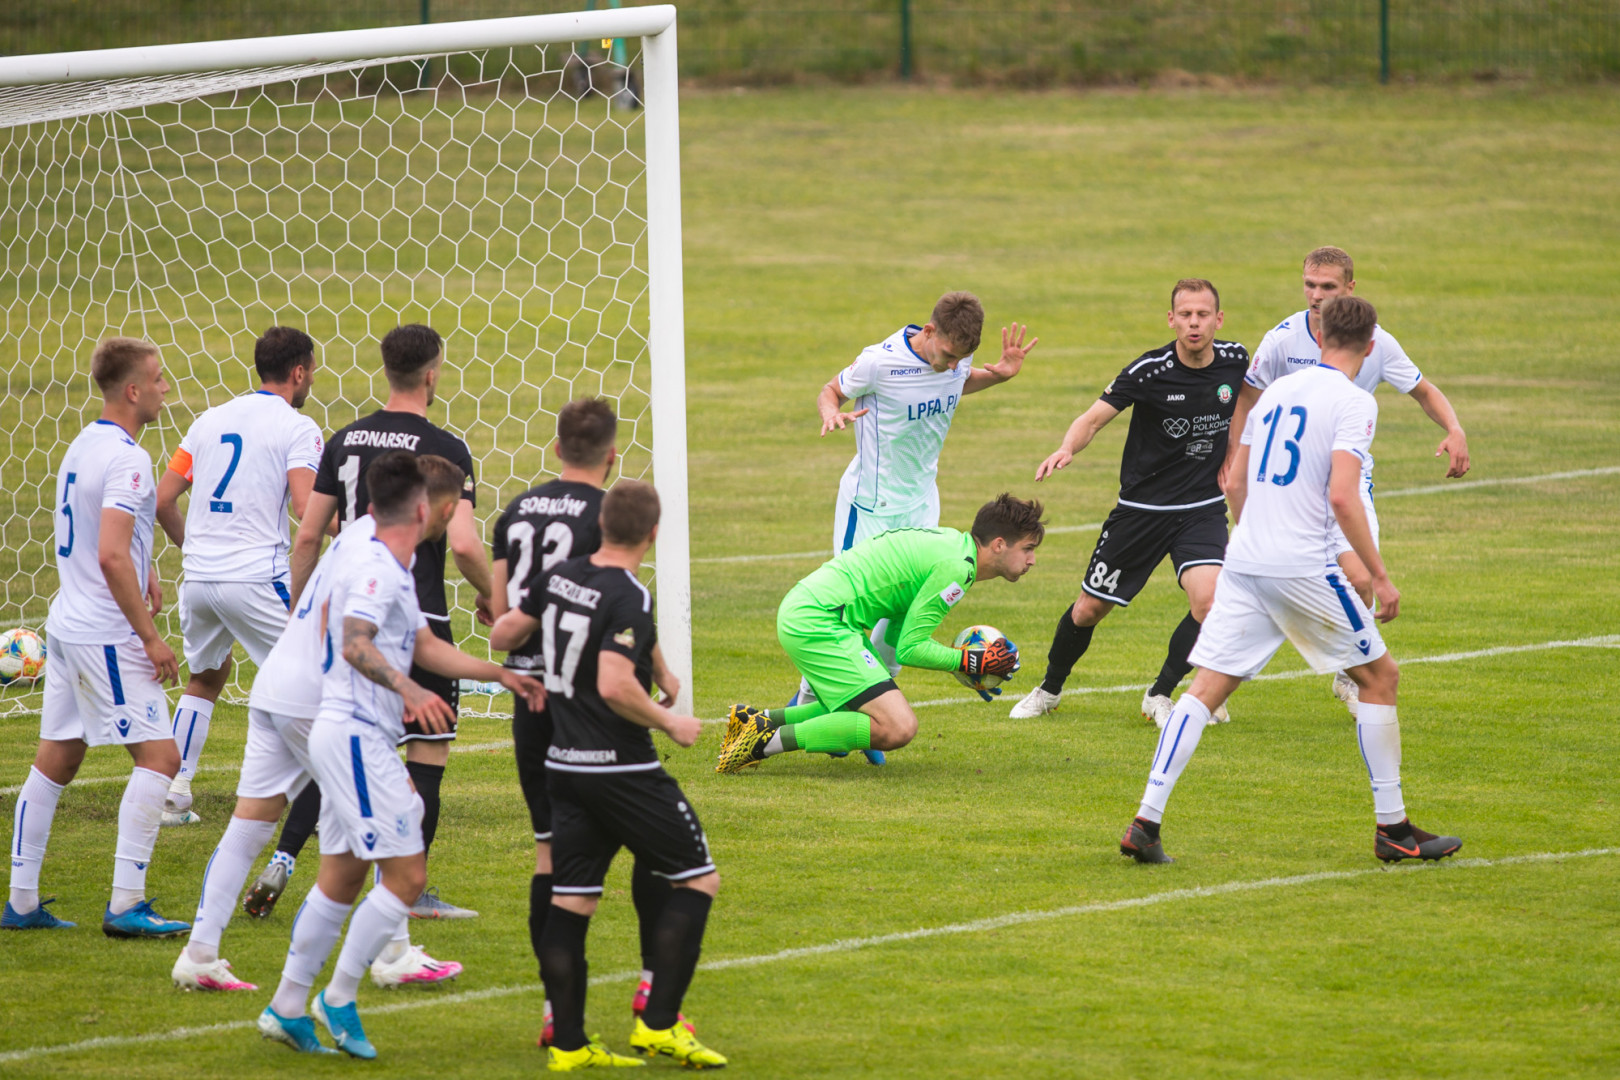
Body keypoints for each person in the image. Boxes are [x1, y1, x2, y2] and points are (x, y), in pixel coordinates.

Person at [1119, 295, 1461, 866]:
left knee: (1204, 689)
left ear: (1319, 338)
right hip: (1304, 566)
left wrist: (1254, 535)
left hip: (1246, 559)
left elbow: (1234, 482)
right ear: (1370, 347)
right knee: (1380, 678)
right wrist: (1379, 575)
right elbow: (1343, 496)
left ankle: (1145, 822)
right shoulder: (1354, 402)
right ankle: (1393, 828)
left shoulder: (1275, 392)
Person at [257, 452, 543, 1057]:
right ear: (428, 509)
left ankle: (287, 1006)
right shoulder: (377, 567)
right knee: (408, 875)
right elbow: (354, 641)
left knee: (341, 878)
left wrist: (498, 673)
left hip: (350, 732)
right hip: (355, 734)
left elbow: (424, 645)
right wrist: (409, 690)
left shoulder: (388, 558)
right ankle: (338, 997)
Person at [173, 457, 475, 993]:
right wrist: (406, 687)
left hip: (276, 683)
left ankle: (199, 954)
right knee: (393, 810)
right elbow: (356, 636)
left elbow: (315, 560)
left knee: (251, 822)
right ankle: (390, 956)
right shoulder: (381, 554)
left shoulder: (358, 534)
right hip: (322, 698)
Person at [258, 323, 491, 920]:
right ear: (432, 374)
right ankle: (407, 893)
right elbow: (465, 545)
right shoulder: (445, 448)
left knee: (344, 742)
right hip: (417, 615)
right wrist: (496, 600)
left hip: (350, 617)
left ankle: (284, 859)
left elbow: (308, 535)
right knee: (427, 757)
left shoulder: (345, 439)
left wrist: (300, 617)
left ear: (386, 370)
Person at [489, 479, 724, 1070]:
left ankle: (569, 1045)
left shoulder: (560, 576)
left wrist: (656, 668)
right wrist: (671, 723)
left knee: (572, 902)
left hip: (563, 763)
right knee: (698, 880)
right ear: (653, 533)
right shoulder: (629, 594)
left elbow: (502, 634)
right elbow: (616, 684)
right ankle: (659, 1024)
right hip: (621, 767)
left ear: (601, 526)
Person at [1221, 246, 1470, 714]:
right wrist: (1235, 455)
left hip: (1348, 482)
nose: (1317, 296)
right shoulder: (1281, 340)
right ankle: (1211, 686)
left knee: (1360, 579)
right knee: (1264, 585)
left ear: (1350, 288)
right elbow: (1248, 397)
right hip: (1292, 487)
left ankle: (1347, 674)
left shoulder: (1375, 342)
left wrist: (1454, 429)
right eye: (1310, 285)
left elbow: (1423, 390)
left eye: (1328, 287)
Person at [3, 337, 188, 936]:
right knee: (161, 758)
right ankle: (126, 905)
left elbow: (101, 535)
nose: (165, 388)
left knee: (58, 758)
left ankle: (21, 904)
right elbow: (110, 554)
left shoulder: (84, 442)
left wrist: (146, 566)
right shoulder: (130, 460)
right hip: (106, 633)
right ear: (133, 390)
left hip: (67, 623)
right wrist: (150, 637)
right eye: (157, 379)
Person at [806, 291, 1038, 764]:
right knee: (847, 617)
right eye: (948, 355)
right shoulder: (879, 362)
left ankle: (869, 723)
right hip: (870, 507)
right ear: (929, 332)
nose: (952, 365)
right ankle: (815, 705)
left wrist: (998, 375)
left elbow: (955, 382)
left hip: (920, 507)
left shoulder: (953, 360)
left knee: (906, 617)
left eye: (961, 359)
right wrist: (831, 411)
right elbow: (830, 390)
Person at [1011, 280, 1248, 728]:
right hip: (1142, 511)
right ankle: (1049, 689)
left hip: (1201, 508)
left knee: (1210, 603)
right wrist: (1066, 448)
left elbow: (1250, 399)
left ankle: (1161, 693)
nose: (1194, 323)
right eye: (1185, 314)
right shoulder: (1149, 371)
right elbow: (1093, 418)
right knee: (1088, 609)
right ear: (1171, 319)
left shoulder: (1236, 359)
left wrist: (1236, 447)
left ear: (1218, 319)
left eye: (1203, 314)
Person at [716, 494, 1044, 773]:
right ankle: (762, 742)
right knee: (899, 727)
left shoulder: (952, 547)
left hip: (816, 613)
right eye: (1028, 549)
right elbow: (910, 649)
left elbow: (896, 636)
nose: (1032, 560)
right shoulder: (957, 568)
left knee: (866, 707)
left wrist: (966, 666)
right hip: (819, 619)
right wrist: (969, 661)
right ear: (999, 545)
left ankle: (757, 721)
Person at [153, 326, 324, 826]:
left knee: (207, 676)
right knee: (311, 679)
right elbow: (306, 506)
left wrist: (196, 549)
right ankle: (325, 800)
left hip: (200, 579)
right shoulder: (298, 428)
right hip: (257, 578)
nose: (312, 380)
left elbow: (162, 500)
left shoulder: (208, 420)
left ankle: (173, 794)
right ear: (298, 372)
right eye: (312, 371)